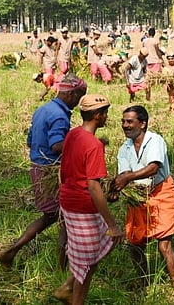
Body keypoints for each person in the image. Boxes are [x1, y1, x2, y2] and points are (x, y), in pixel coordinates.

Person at [0, 75, 87, 270]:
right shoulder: (60, 116)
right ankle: (61, 268)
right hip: (51, 172)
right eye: (80, 97)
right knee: (64, 218)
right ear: (72, 94)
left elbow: (30, 141)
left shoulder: (43, 109)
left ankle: (12, 252)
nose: (79, 103)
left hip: (37, 168)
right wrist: (81, 141)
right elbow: (56, 145)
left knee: (53, 216)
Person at [53, 94, 122, 304]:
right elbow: (93, 186)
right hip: (83, 205)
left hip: (67, 199)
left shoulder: (73, 134)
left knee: (93, 250)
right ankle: (75, 298)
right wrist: (112, 223)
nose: (107, 117)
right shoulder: (94, 145)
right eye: (105, 113)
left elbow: (62, 169)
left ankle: (67, 286)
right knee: (88, 262)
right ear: (97, 116)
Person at [109, 105, 174, 286]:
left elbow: (153, 167)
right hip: (138, 197)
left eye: (129, 121)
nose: (125, 125)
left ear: (142, 124)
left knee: (164, 245)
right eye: (123, 122)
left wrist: (127, 178)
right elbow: (124, 174)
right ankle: (143, 282)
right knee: (134, 242)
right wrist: (115, 189)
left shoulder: (155, 140)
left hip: (161, 191)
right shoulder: (124, 149)